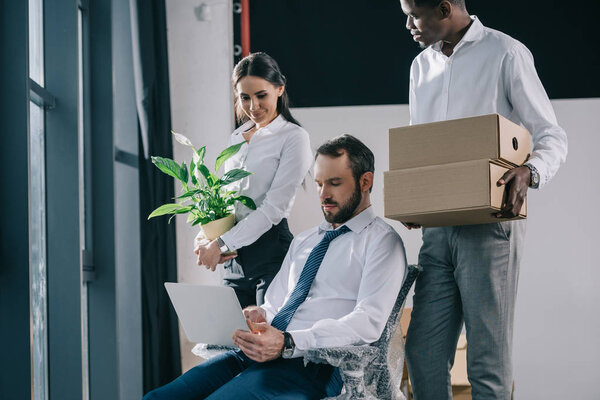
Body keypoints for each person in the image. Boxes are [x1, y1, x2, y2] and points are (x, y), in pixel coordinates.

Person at [143, 135, 407, 399]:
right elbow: (276, 304)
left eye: (334, 183)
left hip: (315, 364)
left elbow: (367, 323)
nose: (323, 194)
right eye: (318, 184)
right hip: (259, 353)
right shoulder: (304, 240)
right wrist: (259, 316)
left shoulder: (382, 242)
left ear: (365, 181)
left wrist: (290, 342)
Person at [398, 1, 568, 399]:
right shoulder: (420, 67)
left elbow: (552, 136)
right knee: (422, 352)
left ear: (443, 8)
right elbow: (420, 145)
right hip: (439, 231)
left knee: (486, 364)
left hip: (491, 225)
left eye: (414, 14)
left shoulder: (505, 53)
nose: (408, 24)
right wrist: (415, 198)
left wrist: (531, 170)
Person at [195, 52, 313, 308]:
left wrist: (222, 242)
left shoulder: (294, 137)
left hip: (271, 254)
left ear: (280, 89)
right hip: (235, 258)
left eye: (262, 96)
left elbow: (273, 209)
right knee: (228, 337)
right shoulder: (237, 137)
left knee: (266, 340)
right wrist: (205, 236)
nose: (253, 107)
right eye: (244, 98)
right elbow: (223, 197)